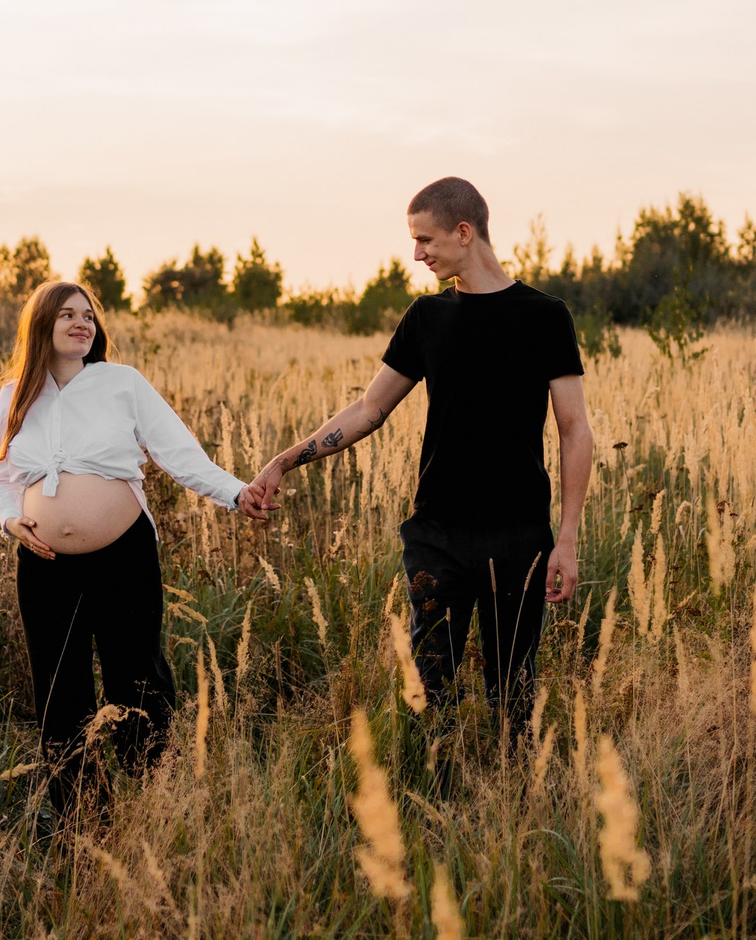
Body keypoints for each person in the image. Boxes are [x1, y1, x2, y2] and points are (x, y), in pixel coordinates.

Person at [243, 177, 592, 727]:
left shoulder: (545, 316)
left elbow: (575, 430)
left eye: (426, 239)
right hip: (437, 535)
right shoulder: (427, 318)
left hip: (518, 534)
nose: (417, 253)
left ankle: (513, 803)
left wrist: (566, 537)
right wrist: (284, 460)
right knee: (430, 694)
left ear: (463, 231)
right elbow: (368, 410)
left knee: (514, 698)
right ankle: (436, 797)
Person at [0, 279, 255, 810]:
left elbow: (181, 455)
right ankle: (79, 811)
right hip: (43, 562)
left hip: (121, 556)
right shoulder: (13, 395)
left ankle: (155, 799)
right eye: (67, 315)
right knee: (59, 686)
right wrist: (12, 520)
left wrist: (237, 494)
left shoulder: (122, 384)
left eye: (88, 315)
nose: (82, 323)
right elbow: (0, 476)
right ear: (41, 325)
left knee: (136, 677)